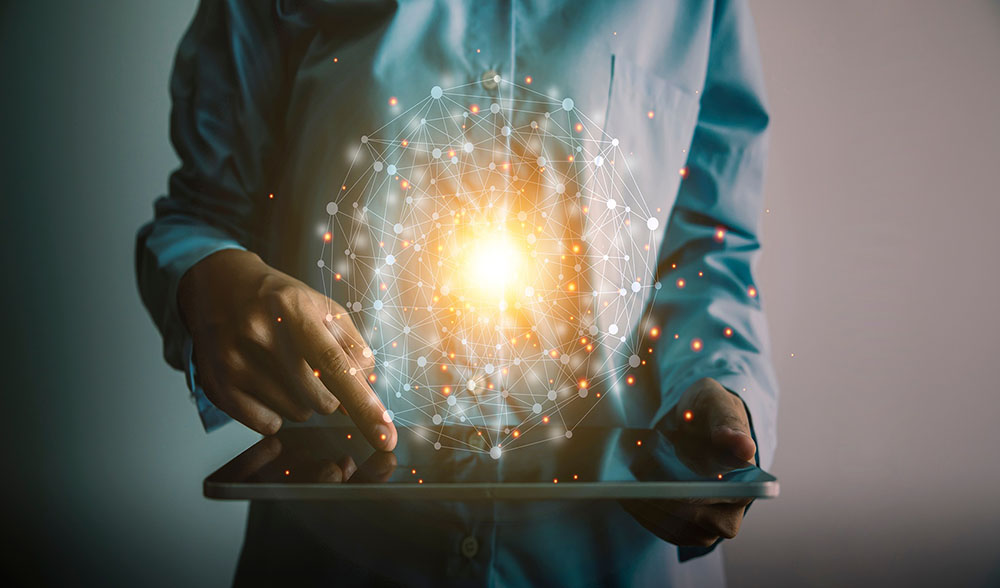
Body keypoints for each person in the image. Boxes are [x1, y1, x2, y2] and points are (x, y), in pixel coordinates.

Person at [136, 0, 778, 585]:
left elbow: (705, 251)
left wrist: (721, 384)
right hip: (338, 556)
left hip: (611, 559)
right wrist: (211, 280)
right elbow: (204, 212)